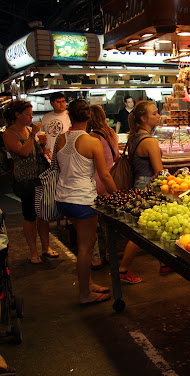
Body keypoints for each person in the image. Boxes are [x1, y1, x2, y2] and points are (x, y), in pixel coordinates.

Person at [55, 100, 118, 305]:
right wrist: (117, 196)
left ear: (69, 116)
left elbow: (59, 167)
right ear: (88, 117)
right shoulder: (91, 141)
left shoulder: (61, 139)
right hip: (82, 200)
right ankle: (84, 294)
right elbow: (105, 176)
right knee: (86, 247)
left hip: (63, 197)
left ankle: (88, 283)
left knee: (84, 246)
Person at [2, 100, 58, 264]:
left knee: (44, 215)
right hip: (26, 180)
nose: (31, 117)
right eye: (27, 114)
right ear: (17, 115)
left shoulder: (28, 130)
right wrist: (33, 135)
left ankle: (46, 247)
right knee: (30, 216)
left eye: (31, 113)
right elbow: (23, 152)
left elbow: (39, 152)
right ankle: (33, 251)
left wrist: (43, 145)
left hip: (41, 177)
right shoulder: (9, 133)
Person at [118, 101, 168, 283]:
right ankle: (123, 269)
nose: (158, 116)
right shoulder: (150, 141)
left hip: (138, 185)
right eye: (154, 113)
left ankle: (164, 262)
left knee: (157, 224)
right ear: (143, 118)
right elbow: (159, 172)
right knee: (140, 231)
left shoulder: (134, 137)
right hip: (149, 188)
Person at [87, 105, 119, 268]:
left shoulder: (91, 137)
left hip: (97, 180)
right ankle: (109, 254)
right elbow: (117, 156)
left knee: (94, 224)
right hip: (111, 178)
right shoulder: (111, 133)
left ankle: (96, 257)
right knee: (109, 222)